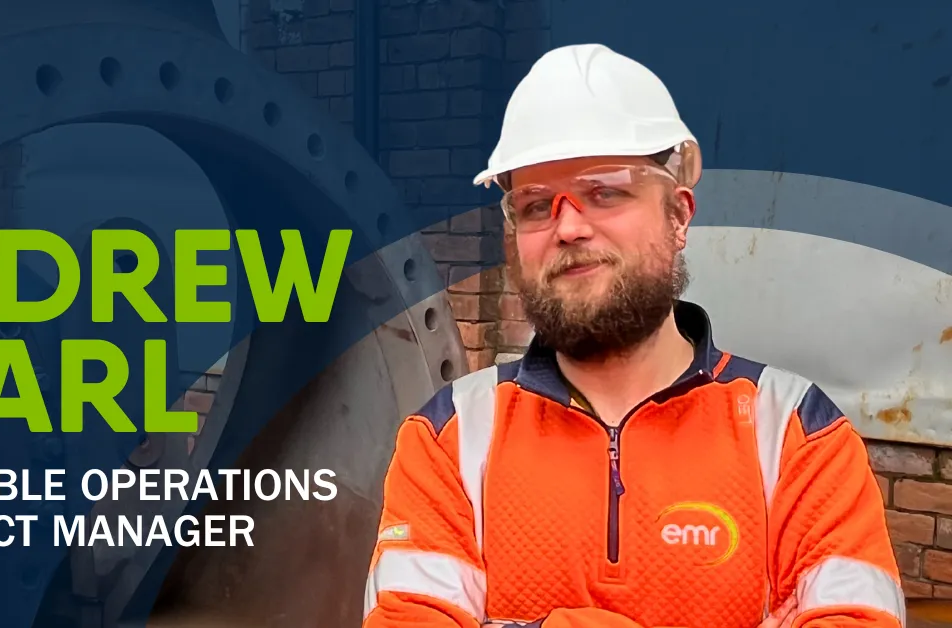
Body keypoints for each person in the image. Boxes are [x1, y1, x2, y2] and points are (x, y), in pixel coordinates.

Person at [361, 43, 903, 628]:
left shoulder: (795, 434)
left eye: (605, 192)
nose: (568, 226)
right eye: (537, 205)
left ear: (680, 215)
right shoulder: (451, 437)